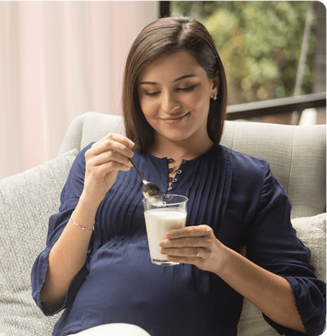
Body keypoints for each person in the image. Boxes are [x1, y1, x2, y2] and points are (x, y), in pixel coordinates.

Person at [31, 16, 327, 336]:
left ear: (214, 83)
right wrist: (89, 199)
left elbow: (306, 316)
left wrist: (222, 260)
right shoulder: (99, 163)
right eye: (151, 92)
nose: (169, 105)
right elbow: (50, 294)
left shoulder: (252, 179)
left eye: (185, 87)